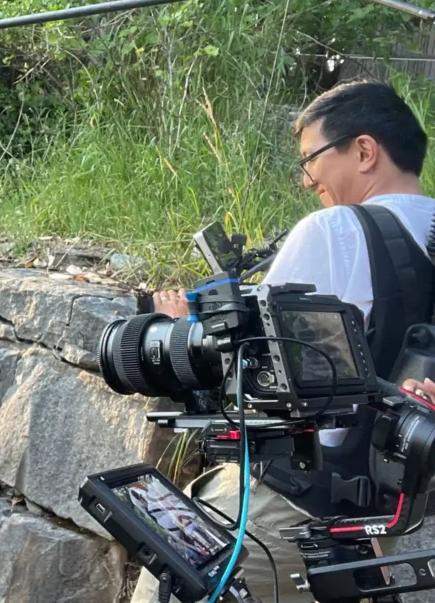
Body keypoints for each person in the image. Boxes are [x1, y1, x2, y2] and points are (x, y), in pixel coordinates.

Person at [136, 79, 435, 603]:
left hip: (284, 509)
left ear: (364, 151)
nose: (306, 179)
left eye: (311, 159)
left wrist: (181, 331)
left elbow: (253, 372)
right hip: (380, 521)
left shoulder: (335, 230)